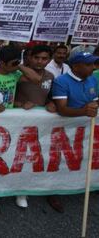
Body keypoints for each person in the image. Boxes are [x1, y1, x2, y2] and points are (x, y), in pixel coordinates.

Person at [0, 45, 43, 213]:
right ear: (1, 63)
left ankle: (19, 190)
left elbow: (37, 79)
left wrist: (18, 65)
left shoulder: (16, 73)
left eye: (19, 62)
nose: (17, 65)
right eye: (13, 63)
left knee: (16, 158)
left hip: (14, 123)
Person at [50, 52, 99, 213]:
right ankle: (53, 191)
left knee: (86, 157)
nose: (93, 67)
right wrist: (84, 111)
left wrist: (93, 105)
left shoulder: (92, 79)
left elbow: (95, 98)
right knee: (60, 160)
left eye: (93, 63)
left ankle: (84, 184)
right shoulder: (61, 82)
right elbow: (62, 109)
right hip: (65, 130)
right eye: (89, 64)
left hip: (87, 128)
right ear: (76, 66)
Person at [14, 45, 56, 112]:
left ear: (50, 60)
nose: (39, 61)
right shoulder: (18, 73)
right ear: (30, 58)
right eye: (36, 57)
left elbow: (48, 97)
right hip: (18, 115)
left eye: (44, 58)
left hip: (39, 119)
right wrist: (20, 104)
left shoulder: (50, 76)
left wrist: (50, 103)